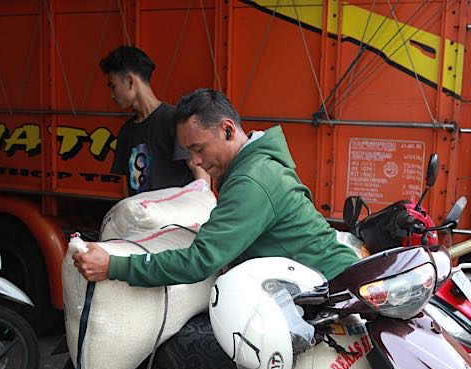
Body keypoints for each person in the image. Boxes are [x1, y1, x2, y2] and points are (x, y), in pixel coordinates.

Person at [73, 88, 359, 286]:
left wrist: (114, 266)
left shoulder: (251, 180)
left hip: (334, 286)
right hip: (330, 279)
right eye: (188, 152)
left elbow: (200, 260)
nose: (195, 160)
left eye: (198, 148)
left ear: (227, 129)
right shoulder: (254, 167)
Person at [100, 46, 209, 195]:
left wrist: (203, 206)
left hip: (177, 216)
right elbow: (128, 188)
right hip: (143, 217)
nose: (112, 95)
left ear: (131, 81)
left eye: (113, 86)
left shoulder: (175, 120)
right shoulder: (126, 132)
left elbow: (199, 169)